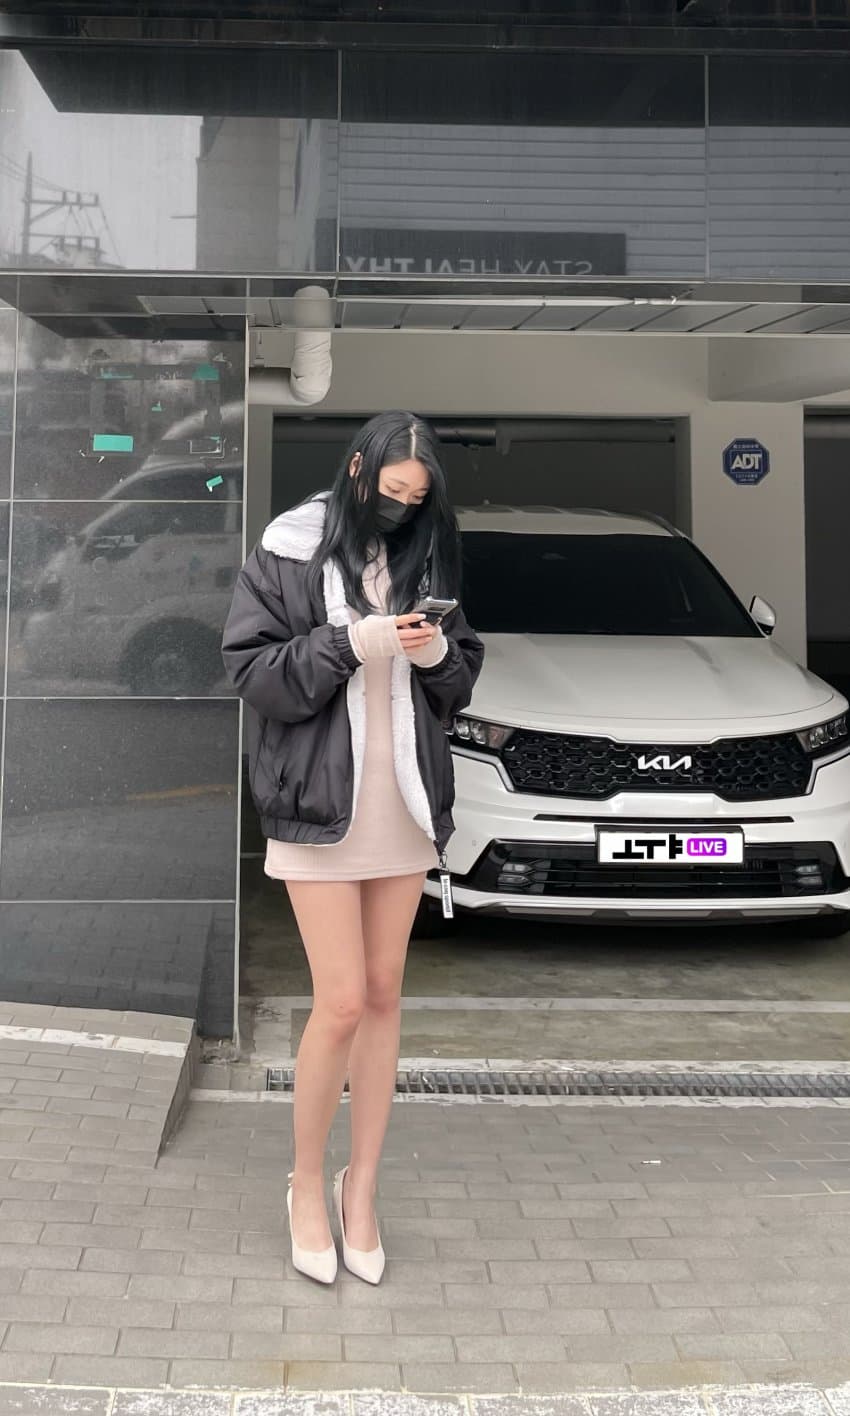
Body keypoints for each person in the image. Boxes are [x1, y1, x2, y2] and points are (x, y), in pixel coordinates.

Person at [221, 410, 485, 1286]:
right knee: (337, 1002)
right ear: (359, 469)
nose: (402, 508)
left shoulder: (426, 555)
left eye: (417, 498)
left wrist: (436, 653)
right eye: (392, 491)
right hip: (317, 805)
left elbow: (461, 677)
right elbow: (253, 672)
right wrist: (350, 643)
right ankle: (305, 1184)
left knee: (382, 996)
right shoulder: (289, 547)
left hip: (401, 807)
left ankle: (360, 1187)